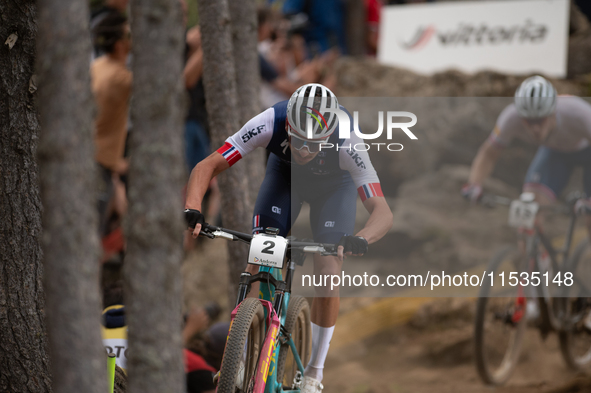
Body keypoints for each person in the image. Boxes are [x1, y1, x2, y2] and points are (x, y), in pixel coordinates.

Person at [185, 83, 393, 392]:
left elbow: (382, 211)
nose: (304, 150)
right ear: (289, 126)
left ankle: (314, 372)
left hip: (334, 189)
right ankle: (239, 356)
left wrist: (360, 238)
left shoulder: (349, 141)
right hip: (285, 178)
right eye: (298, 140)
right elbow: (208, 165)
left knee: (328, 268)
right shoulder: (270, 120)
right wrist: (192, 207)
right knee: (260, 250)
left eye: (313, 144)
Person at [462, 75, 591, 243]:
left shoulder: (577, 112)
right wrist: (474, 184)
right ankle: (535, 264)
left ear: (552, 111)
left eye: (540, 120)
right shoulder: (510, 118)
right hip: (554, 153)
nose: (535, 128)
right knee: (526, 218)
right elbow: (489, 153)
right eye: (529, 121)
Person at [91, 13, 132, 250]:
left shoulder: (98, 67)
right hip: (100, 165)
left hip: (102, 162)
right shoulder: (119, 78)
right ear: (119, 44)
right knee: (92, 234)